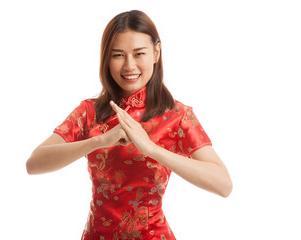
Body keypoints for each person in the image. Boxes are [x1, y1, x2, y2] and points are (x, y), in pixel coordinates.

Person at [26, 10, 232, 240]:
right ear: (106, 58)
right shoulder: (89, 112)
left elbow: (223, 185)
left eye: (139, 54)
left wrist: (151, 148)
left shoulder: (177, 116)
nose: (129, 66)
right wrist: (99, 141)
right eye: (118, 55)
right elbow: (34, 164)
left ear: (156, 53)